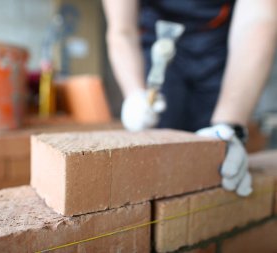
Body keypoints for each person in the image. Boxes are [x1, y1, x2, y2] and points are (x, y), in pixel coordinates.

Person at [102, 0, 277, 196]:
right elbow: (121, 30)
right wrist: (134, 93)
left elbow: (257, 19)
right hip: (158, 42)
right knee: (158, 157)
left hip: (218, 47)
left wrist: (230, 126)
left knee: (215, 158)